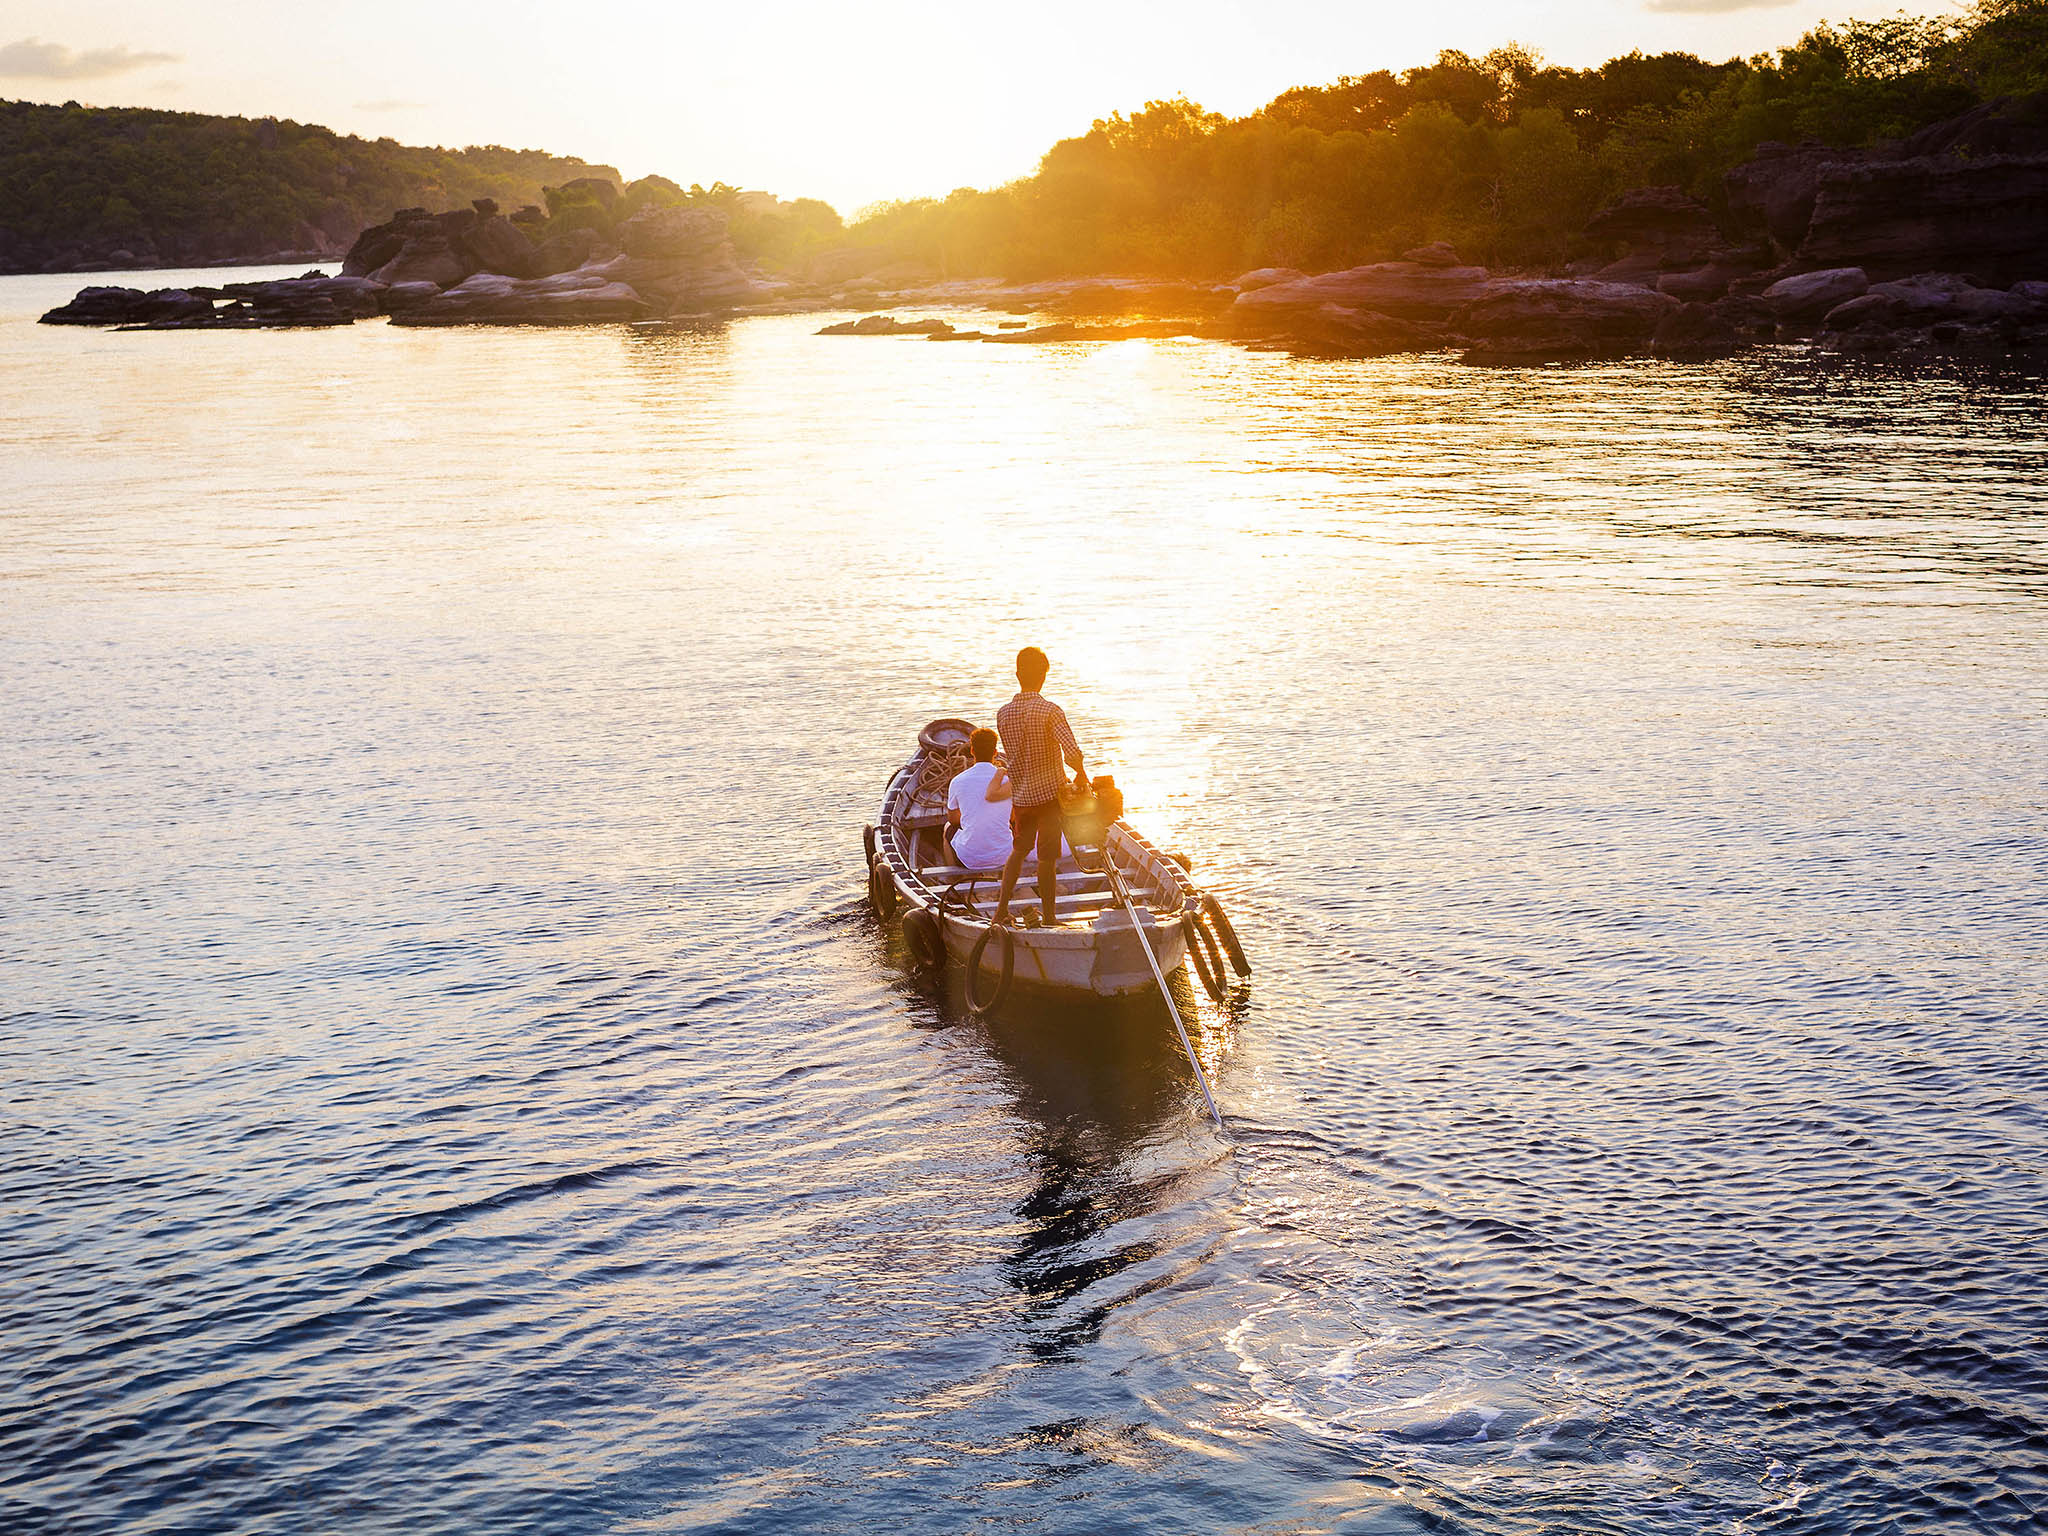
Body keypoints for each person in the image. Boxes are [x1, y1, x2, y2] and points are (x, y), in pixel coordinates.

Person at [992, 646, 1088, 929]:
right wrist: (1081, 773)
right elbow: (1071, 752)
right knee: (1047, 858)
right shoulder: (1050, 711)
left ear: (1018, 674)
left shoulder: (1003, 714)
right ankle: (1049, 917)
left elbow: (1010, 755)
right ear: (1044, 676)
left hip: (1021, 797)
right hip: (1048, 797)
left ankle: (999, 912)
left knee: (1019, 850)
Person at [945, 728, 1014, 870]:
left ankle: (953, 877)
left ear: (972, 751)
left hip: (969, 857)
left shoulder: (958, 781)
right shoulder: (1007, 781)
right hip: (1005, 855)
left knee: (948, 828)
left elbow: (953, 820)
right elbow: (1012, 816)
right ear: (995, 752)